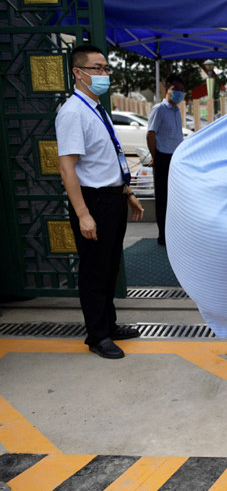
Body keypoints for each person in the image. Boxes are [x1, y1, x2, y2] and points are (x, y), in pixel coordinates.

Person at [55, 44, 144, 359]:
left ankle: (109, 324)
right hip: (92, 201)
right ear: (79, 73)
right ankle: (97, 335)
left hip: (112, 199)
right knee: (95, 270)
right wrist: (83, 214)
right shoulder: (72, 112)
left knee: (110, 267)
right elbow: (67, 168)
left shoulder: (97, 108)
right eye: (97, 68)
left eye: (106, 69)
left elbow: (108, 161)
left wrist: (128, 194)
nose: (104, 74)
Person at [147, 74, 185, 245]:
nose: (178, 93)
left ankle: (174, 232)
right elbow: (151, 134)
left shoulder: (176, 110)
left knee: (175, 197)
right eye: (175, 89)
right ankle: (163, 235)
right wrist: (155, 156)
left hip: (176, 159)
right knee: (163, 198)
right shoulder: (159, 110)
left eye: (182, 91)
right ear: (166, 90)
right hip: (163, 158)